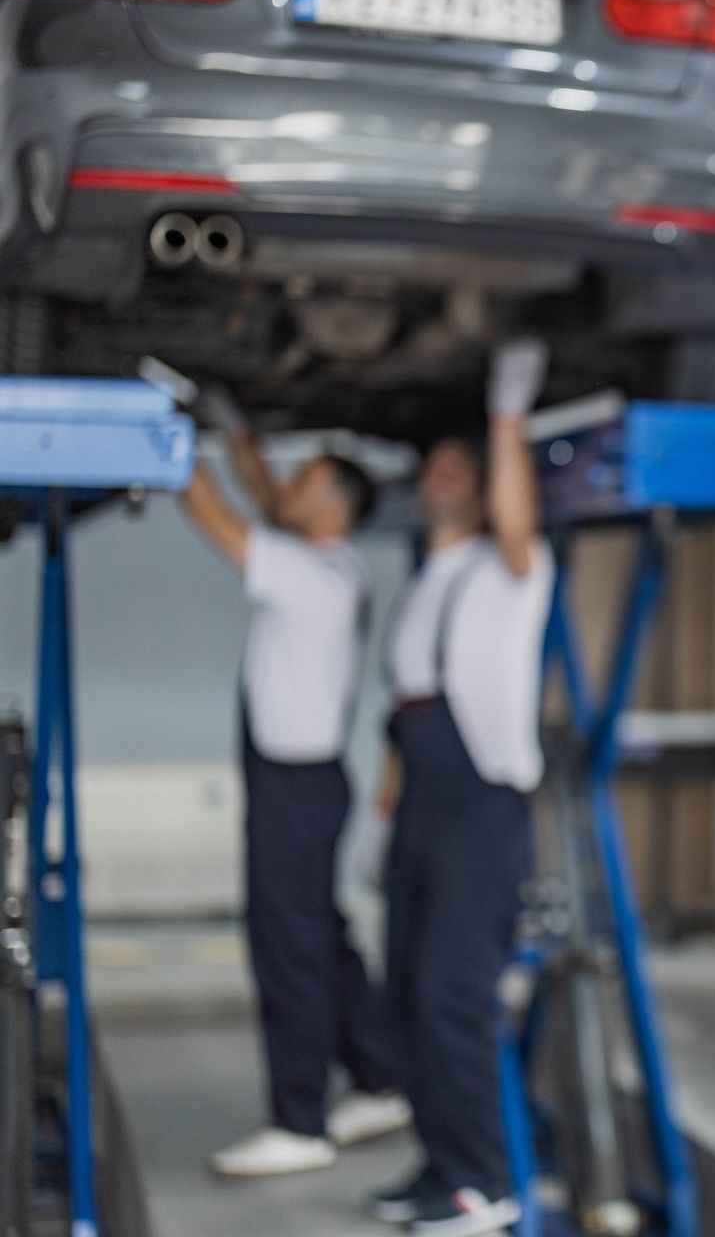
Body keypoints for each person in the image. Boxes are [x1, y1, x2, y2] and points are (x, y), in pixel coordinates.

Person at [177, 412, 409, 1178]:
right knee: (321, 939)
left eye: (304, 478)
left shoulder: (309, 572)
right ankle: (379, 1078)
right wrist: (236, 434)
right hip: (309, 783)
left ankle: (299, 1121)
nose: (286, 486)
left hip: (294, 789)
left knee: (289, 952)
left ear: (333, 504)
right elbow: (263, 497)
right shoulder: (327, 562)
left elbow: (211, 514)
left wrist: (167, 434)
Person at [370, 340, 554, 1237]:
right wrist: (384, 816)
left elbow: (518, 524)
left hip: (481, 808)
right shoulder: (425, 582)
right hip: (423, 808)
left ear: (485, 488)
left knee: (452, 994)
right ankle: (441, 1166)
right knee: (404, 993)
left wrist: (506, 415)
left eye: (461, 466)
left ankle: (487, 1183)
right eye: (434, 465)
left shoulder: (509, 569)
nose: (443, 475)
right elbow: (403, 714)